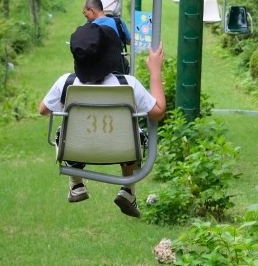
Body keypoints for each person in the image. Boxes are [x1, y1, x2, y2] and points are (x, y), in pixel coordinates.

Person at [39, 22, 165, 218]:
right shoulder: (128, 84)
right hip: (123, 150)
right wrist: (155, 71)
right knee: (133, 135)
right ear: (110, 55)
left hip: (77, 149)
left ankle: (76, 184)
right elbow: (158, 112)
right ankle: (128, 190)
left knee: (64, 133)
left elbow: (43, 110)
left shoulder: (66, 83)